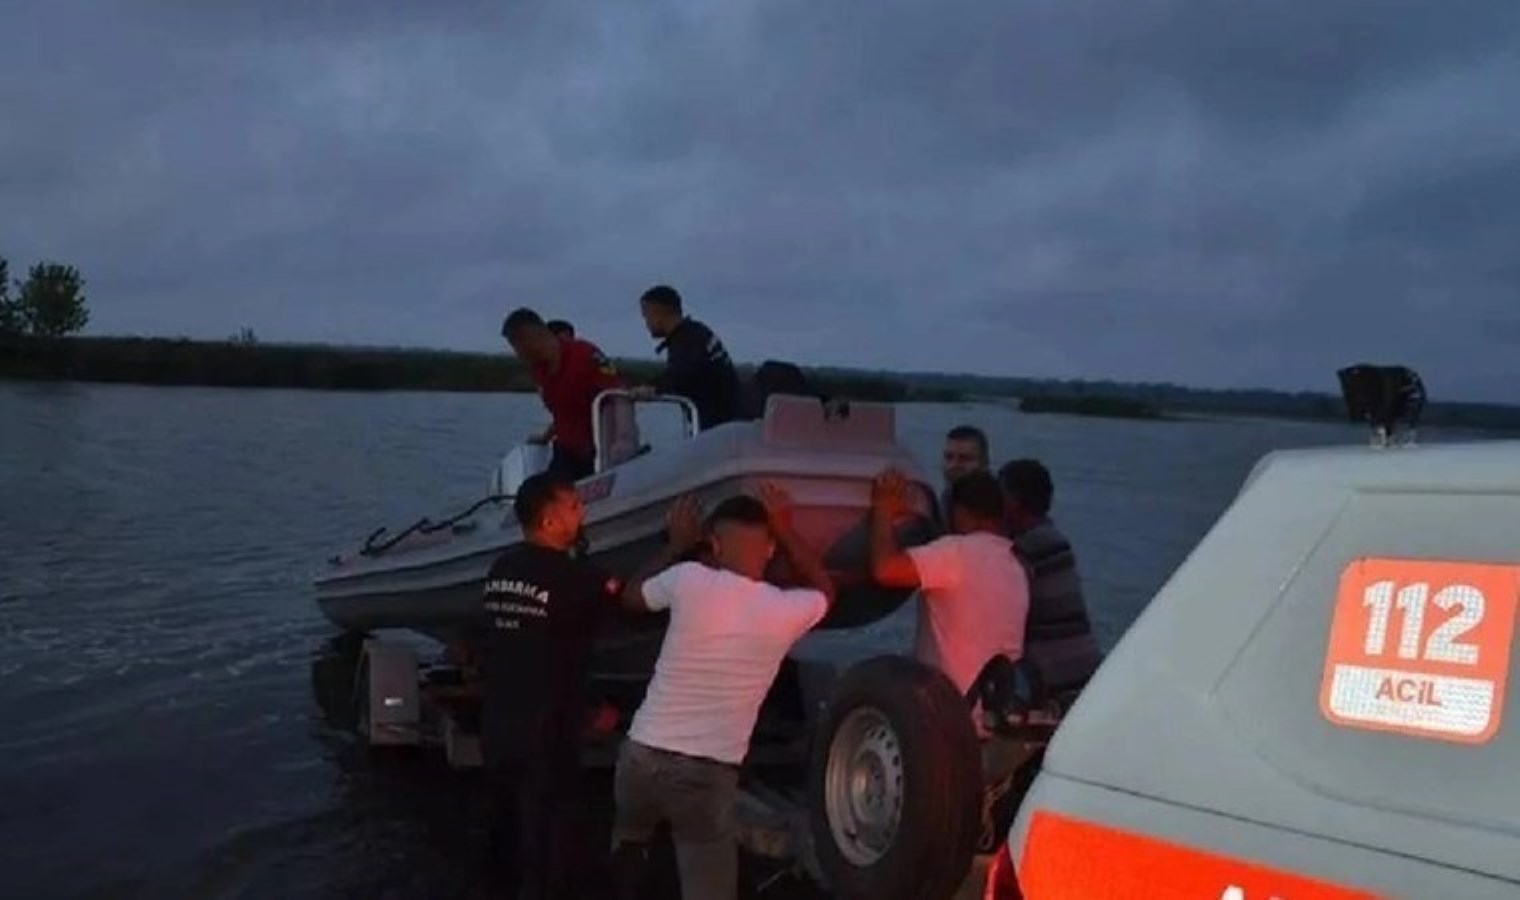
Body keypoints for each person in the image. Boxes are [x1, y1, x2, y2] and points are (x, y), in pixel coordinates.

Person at [611, 485, 835, 900]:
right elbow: (826, 590)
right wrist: (786, 531)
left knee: (630, 843)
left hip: (641, 755)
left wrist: (676, 546)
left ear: (713, 545)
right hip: (705, 774)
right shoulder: (784, 610)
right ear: (768, 550)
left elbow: (630, 596)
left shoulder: (688, 578)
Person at [477, 473, 623, 899]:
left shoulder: (501, 569)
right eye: (574, 508)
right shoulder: (574, 578)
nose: (583, 513)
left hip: (500, 721)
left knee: (503, 828)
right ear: (548, 521)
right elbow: (627, 596)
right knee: (549, 838)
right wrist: (676, 546)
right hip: (550, 727)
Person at [868, 468, 1029, 700]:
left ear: (959, 512)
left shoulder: (955, 554)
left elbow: (884, 570)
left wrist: (882, 510)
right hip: (996, 707)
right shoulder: (1016, 565)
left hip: (951, 709)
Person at [999, 459, 1101, 668]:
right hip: (1083, 661)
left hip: (1053, 669)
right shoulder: (1055, 539)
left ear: (1014, 500)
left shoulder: (1027, 548)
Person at [501, 307, 624, 481]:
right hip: (567, 451)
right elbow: (564, 413)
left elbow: (619, 396)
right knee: (533, 494)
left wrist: (622, 444)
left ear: (528, 339)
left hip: (600, 450)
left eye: (516, 346)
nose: (516, 354)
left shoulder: (586, 354)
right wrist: (546, 437)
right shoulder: (539, 370)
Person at [631, 284, 742, 430]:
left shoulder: (687, 338)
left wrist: (651, 388)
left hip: (720, 427)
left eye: (647, 316)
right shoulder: (695, 333)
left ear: (660, 312)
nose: (646, 323)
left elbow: (681, 373)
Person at [940, 425, 990, 517]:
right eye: (949, 457)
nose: (953, 465)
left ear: (984, 463)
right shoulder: (947, 498)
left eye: (965, 459)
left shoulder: (995, 506)